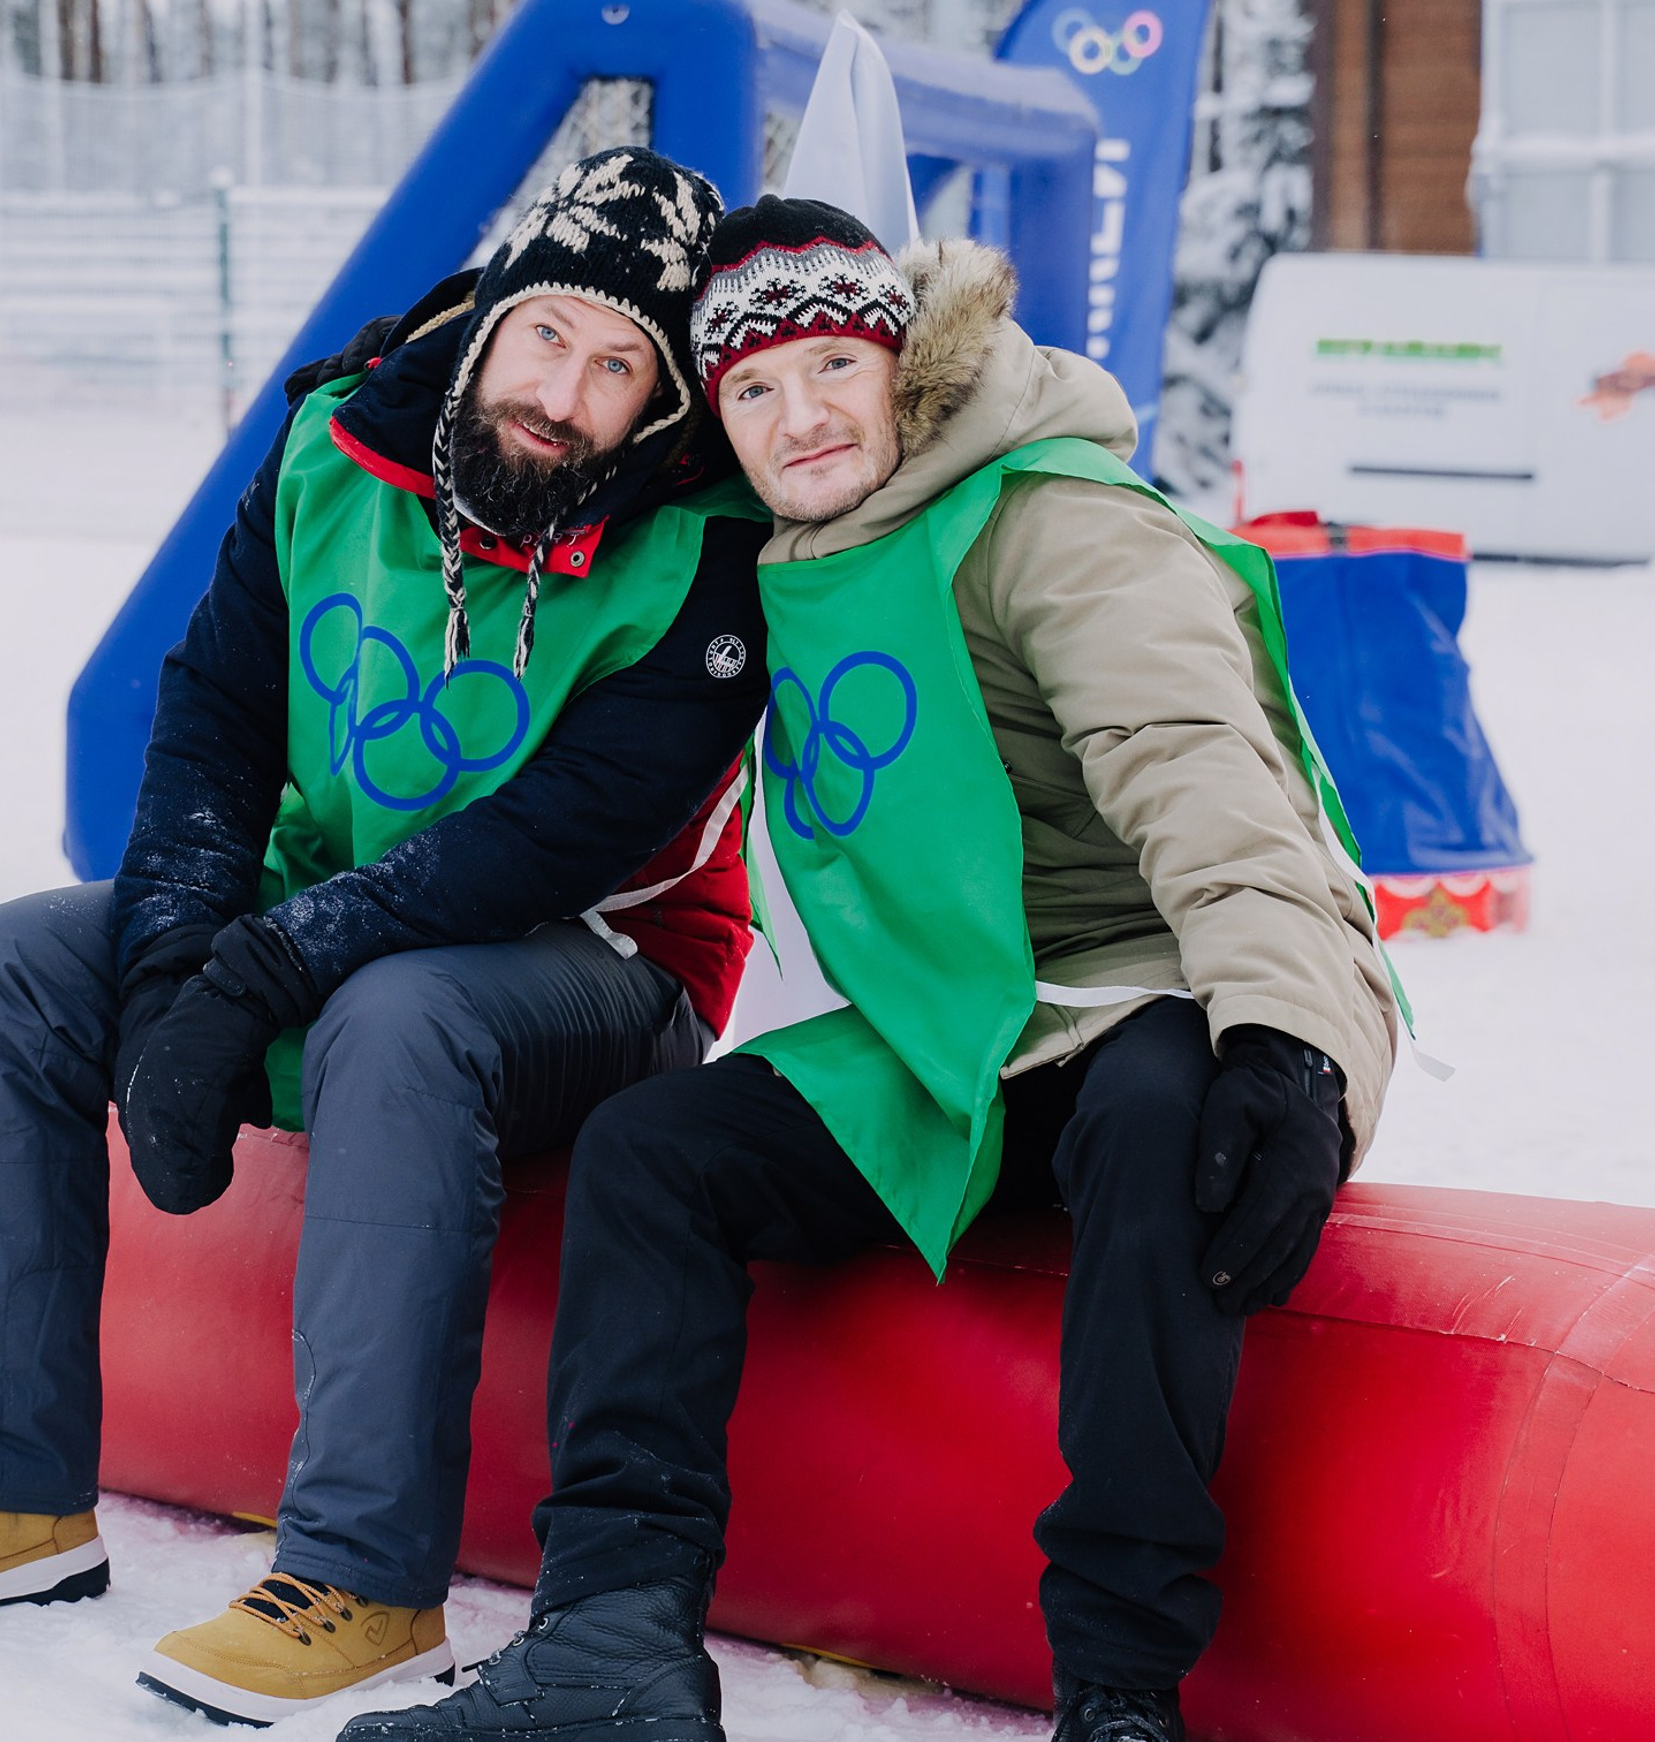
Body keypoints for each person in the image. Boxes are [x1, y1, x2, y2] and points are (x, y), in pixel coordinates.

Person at [346, 198, 1398, 1742]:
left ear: (907, 369)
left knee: (1160, 1117)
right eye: (752, 390)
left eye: (832, 365)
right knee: (656, 1154)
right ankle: (612, 1637)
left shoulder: (1054, 515)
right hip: (953, 1026)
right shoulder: (791, 554)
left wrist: (1292, 1042)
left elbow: (1203, 778)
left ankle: (1120, 1683)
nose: (798, 415)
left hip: (1160, 980)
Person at [0, 149, 774, 1730]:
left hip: (596, 967)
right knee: (10, 968)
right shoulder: (337, 438)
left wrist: (248, 976)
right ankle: (1, 1492)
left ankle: (365, 1584)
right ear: (494, 316)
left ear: (658, 412)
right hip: (319, 905)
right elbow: (219, 716)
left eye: (618, 372)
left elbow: (544, 845)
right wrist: (179, 950)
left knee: (400, 1019)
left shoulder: (702, 555)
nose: (561, 394)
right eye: (548, 337)